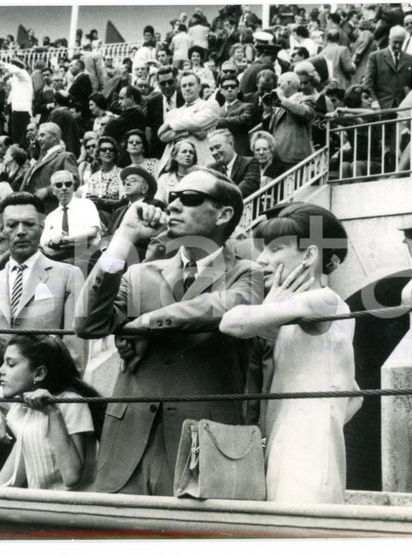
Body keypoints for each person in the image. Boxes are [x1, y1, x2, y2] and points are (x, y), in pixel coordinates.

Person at [74, 168, 264, 496]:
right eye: (172, 197)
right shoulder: (139, 273)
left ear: (224, 214)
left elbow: (220, 307)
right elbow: (87, 323)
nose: (173, 205)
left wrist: (142, 326)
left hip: (203, 449)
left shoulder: (248, 274)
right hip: (126, 447)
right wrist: (123, 238)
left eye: (188, 199)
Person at [221, 203, 361, 504]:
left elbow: (231, 322)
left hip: (306, 458)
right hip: (292, 446)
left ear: (310, 255)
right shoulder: (297, 312)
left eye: (275, 249)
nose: (261, 259)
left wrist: (314, 425)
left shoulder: (323, 299)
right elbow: (356, 396)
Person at [0, 334, 100, 490]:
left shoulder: (71, 402)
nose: (0, 370)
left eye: (10, 364)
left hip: (73, 508)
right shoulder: (20, 404)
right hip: (38, 506)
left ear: (38, 374)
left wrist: (52, 412)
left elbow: (72, 477)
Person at [0, 192, 86, 368]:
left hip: (47, 390)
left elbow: (75, 351)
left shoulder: (69, 276)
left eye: (29, 224)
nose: (21, 232)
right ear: (2, 230)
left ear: (42, 226)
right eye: (11, 225)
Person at [157, 72, 220, 170]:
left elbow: (198, 122)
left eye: (191, 84)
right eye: (184, 86)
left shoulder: (210, 105)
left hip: (201, 161)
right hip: (174, 164)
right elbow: (163, 136)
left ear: (199, 87)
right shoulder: (173, 113)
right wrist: (188, 131)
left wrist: (171, 124)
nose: (187, 88)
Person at [41, 171, 101, 265]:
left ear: (73, 187)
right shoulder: (51, 216)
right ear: (53, 190)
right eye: (59, 185)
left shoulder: (86, 205)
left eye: (68, 184)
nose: (64, 188)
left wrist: (65, 239)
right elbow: (43, 241)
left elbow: (93, 232)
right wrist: (52, 241)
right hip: (60, 256)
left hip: (85, 254)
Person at [261, 72, 316, 170]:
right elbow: (270, 129)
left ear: (289, 84)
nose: (277, 88)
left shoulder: (306, 99)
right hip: (276, 157)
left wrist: (282, 99)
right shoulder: (281, 103)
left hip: (294, 157)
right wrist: (267, 111)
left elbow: (305, 113)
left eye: (279, 85)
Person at [22, 122, 79, 214]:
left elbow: (74, 180)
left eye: (42, 135)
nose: (38, 139)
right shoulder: (41, 158)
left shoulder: (65, 156)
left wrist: (47, 191)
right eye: (38, 136)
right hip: (31, 209)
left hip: (49, 210)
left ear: (54, 137)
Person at [364, 26, 412, 110]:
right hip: (381, 106)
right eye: (395, 42)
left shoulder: (411, 60)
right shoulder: (375, 57)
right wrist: (374, 101)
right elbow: (368, 83)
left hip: (403, 107)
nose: (398, 46)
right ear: (389, 40)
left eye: (400, 43)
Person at [207, 129, 260, 198]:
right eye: (211, 149)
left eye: (217, 147)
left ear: (231, 143)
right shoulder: (211, 169)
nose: (214, 152)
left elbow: (247, 187)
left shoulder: (250, 162)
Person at [215, 74, 256, 156]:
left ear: (238, 89)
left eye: (233, 87)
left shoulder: (247, 106)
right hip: (219, 152)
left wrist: (218, 121)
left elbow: (244, 119)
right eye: (226, 87)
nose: (229, 89)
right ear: (221, 91)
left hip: (240, 151)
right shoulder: (217, 110)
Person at [154, 139, 197, 204]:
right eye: (184, 151)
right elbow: (158, 201)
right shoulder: (164, 178)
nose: (188, 154)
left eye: (191, 152)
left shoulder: (198, 178)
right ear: (175, 156)